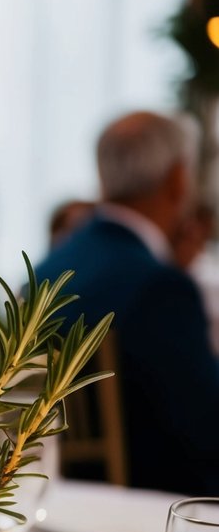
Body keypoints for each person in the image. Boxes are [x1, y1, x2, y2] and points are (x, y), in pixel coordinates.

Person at [34, 110, 219, 495]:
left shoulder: (47, 269)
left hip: (59, 494)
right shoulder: (159, 287)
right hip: (151, 501)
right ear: (177, 179)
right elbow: (207, 429)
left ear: (104, 177)